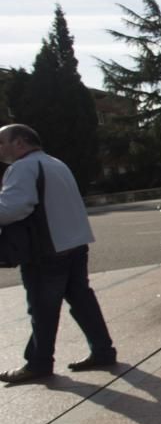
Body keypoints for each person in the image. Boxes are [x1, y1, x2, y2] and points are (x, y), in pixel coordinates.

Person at [0, 124, 117, 384]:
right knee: (83, 301)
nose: (0, 148)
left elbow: (11, 208)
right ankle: (103, 350)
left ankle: (38, 363)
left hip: (47, 249)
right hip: (74, 244)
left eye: (2, 142)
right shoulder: (55, 163)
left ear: (19, 143)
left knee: (42, 308)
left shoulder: (22, 167)